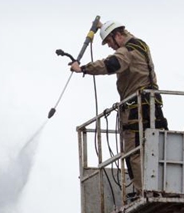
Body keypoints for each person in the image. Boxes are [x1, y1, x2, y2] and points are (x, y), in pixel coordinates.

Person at [71, 20, 168, 196]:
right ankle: (166, 188)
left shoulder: (126, 52)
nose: (109, 46)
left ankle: (145, 191)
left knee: (134, 152)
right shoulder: (140, 45)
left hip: (135, 109)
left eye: (109, 41)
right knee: (157, 148)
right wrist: (102, 27)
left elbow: (111, 64)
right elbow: (121, 38)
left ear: (117, 36)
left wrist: (83, 68)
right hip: (154, 106)